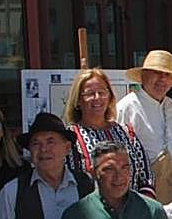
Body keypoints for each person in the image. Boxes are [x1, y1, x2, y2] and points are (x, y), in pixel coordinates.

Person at [63, 68, 154, 197]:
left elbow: (146, 176)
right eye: (90, 94)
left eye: (102, 92)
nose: (97, 98)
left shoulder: (126, 133)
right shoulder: (69, 138)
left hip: (130, 212)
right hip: (89, 214)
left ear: (110, 96)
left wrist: (141, 209)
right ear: (78, 100)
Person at [115, 50, 172, 204]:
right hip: (146, 184)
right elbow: (118, 150)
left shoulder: (170, 105)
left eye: (167, 75)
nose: (162, 79)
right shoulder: (127, 106)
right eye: (156, 73)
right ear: (143, 76)